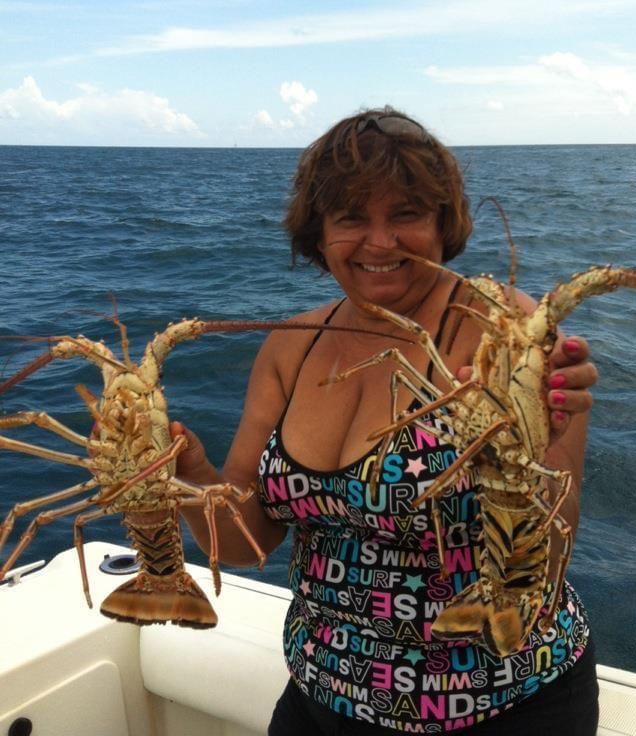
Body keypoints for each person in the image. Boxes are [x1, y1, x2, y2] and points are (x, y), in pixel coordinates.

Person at [174, 108, 599, 735]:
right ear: (318, 234)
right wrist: (186, 472)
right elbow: (245, 541)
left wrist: (537, 441)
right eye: (352, 218)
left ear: (442, 224)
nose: (381, 242)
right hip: (323, 699)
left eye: (406, 214)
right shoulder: (290, 347)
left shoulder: (500, 326)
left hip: (501, 705)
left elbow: (554, 538)